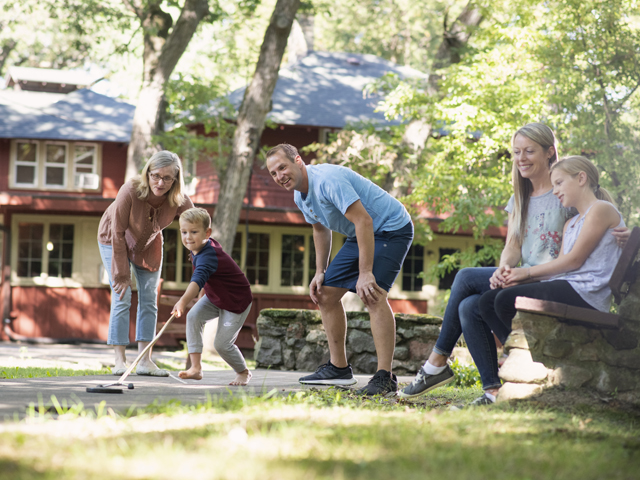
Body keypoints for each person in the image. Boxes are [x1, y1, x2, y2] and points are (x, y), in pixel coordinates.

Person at [399, 123, 628, 405]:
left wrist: (626, 236)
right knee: (469, 305)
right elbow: (513, 246)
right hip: (535, 276)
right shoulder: (520, 198)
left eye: (529, 151)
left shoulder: (568, 197)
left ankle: (438, 361)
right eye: (516, 151)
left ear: (549, 153)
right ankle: (493, 391)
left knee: (467, 277)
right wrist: (502, 271)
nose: (521, 157)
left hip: (552, 278)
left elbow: (590, 237)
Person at [266, 143, 414, 397]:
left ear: (298, 161)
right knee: (325, 293)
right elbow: (319, 229)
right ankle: (339, 368)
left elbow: (363, 220)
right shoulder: (299, 194)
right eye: (273, 173)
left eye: (283, 167)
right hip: (361, 233)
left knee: (372, 293)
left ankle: (385, 376)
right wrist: (320, 270)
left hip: (391, 228)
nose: (280, 176)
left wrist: (365, 273)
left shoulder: (328, 181)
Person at [477, 156, 625, 375]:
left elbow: (574, 260)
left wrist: (525, 272)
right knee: (489, 300)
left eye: (559, 183)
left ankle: (529, 358)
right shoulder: (571, 223)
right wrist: (516, 277)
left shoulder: (602, 209)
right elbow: (561, 265)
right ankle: (522, 352)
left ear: (581, 178)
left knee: (505, 300)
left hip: (587, 293)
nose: (555, 191)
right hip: (568, 285)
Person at [98, 150, 193, 376]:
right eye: (156, 175)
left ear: (176, 179)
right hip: (113, 239)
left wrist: (199, 253)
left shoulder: (179, 199)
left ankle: (144, 361)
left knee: (149, 300)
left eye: (167, 178)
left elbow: (195, 224)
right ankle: (119, 360)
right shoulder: (130, 190)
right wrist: (121, 273)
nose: (160, 182)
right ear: (148, 172)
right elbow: (117, 232)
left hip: (149, 243)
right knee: (122, 295)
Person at [172, 207, 253, 386]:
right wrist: (203, 295)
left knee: (222, 344)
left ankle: (243, 372)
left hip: (235, 300)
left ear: (207, 233)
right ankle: (196, 368)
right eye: (184, 232)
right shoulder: (197, 249)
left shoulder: (208, 255)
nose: (188, 237)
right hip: (216, 296)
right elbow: (207, 279)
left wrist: (183, 301)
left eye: (194, 232)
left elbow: (198, 279)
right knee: (193, 316)